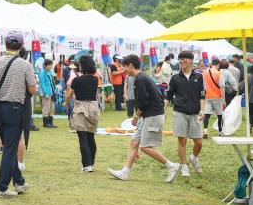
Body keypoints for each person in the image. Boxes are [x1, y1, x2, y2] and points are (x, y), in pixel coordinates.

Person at [107, 54, 179, 183]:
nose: (124, 70)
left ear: (130, 65)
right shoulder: (143, 77)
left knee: (145, 147)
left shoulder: (140, 79)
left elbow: (144, 102)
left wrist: (135, 117)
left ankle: (171, 166)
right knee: (134, 142)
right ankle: (125, 172)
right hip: (149, 115)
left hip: (153, 116)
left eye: (125, 67)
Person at [0, 31, 36, 198]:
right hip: (15, 108)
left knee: (8, 144)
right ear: (21, 46)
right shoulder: (25, 65)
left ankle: (19, 182)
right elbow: (32, 89)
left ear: (5, 45)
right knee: (9, 148)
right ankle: (1, 188)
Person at [165, 51, 205, 178]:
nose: (181, 61)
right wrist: (163, 109)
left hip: (195, 113)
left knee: (198, 142)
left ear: (191, 60)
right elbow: (168, 95)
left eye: (184, 59)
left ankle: (193, 157)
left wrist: (202, 110)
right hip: (179, 111)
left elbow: (202, 95)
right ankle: (183, 166)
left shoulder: (199, 77)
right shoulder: (175, 78)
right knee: (182, 139)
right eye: (180, 59)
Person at [64, 55, 100, 173]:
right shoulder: (95, 80)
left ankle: (87, 165)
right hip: (93, 108)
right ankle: (92, 163)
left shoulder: (77, 80)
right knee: (90, 136)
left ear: (82, 67)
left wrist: (65, 103)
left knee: (82, 137)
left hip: (80, 108)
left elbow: (69, 94)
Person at [202, 59, 226, 137]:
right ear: (218, 65)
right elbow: (222, 87)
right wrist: (223, 99)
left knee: (207, 114)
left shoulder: (205, 72)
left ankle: (205, 130)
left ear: (211, 64)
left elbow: (203, 84)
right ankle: (220, 131)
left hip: (207, 96)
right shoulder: (219, 73)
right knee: (219, 115)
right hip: (217, 97)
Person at [38, 59, 57, 128]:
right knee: (46, 108)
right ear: (46, 65)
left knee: (52, 108)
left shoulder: (49, 72)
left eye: (51, 65)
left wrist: (55, 90)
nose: (51, 66)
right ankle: (45, 123)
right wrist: (46, 93)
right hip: (46, 94)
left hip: (51, 92)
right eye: (50, 65)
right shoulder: (42, 73)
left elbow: (52, 82)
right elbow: (42, 84)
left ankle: (50, 122)